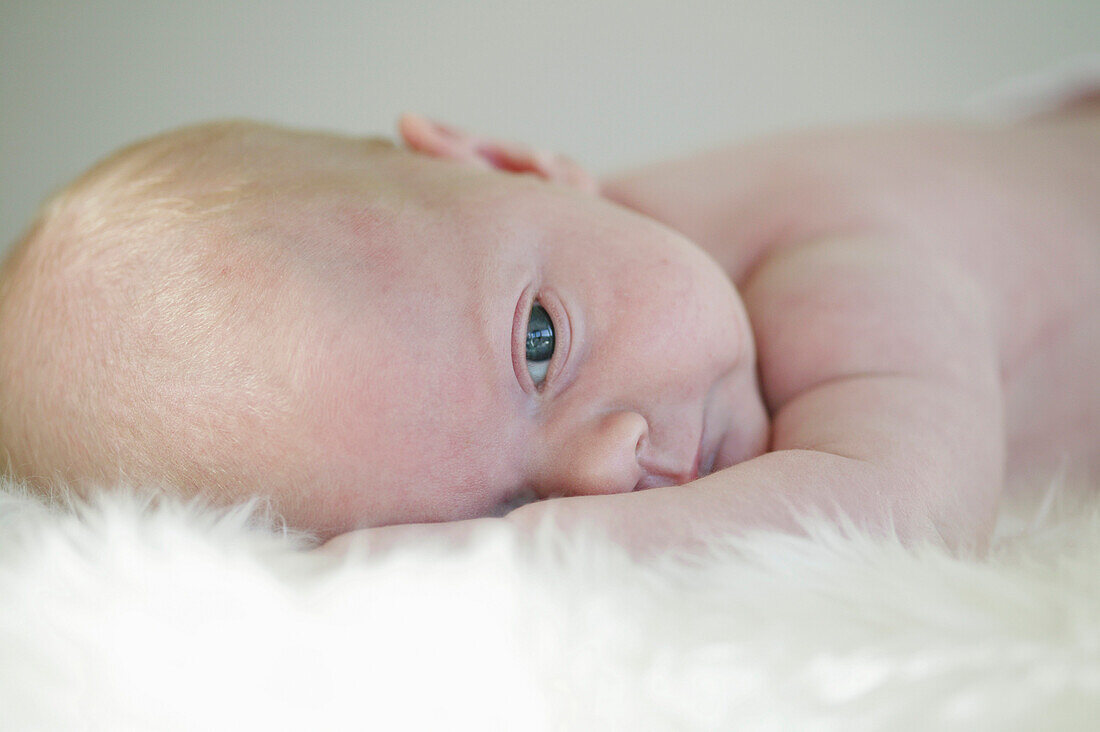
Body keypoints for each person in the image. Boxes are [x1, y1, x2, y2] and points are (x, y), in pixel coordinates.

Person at [0, 93, 1096, 554]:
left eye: (540, 344)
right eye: (503, 505)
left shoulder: (828, 263)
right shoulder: (593, 278)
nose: (604, 470)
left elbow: (905, 514)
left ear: (512, 164)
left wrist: (503, 559)